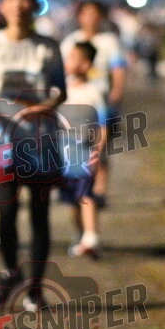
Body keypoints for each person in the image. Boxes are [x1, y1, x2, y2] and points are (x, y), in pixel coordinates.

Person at [0, 0, 66, 311]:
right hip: (0, 140)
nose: (18, 5)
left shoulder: (48, 48)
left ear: (35, 6)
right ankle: (11, 272)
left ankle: (35, 289)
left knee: (39, 214)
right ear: (3, 6)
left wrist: (41, 108)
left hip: (39, 141)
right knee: (6, 211)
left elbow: (60, 90)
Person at [60, 0, 126, 207]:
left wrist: (116, 91)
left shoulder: (109, 41)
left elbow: (118, 69)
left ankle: (99, 191)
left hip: (101, 101)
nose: (90, 18)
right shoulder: (70, 41)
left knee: (101, 147)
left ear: (101, 17)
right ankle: (76, 186)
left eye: (94, 14)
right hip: (78, 102)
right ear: (79, 16)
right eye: (85, 14)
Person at [59, 42, 106, 258]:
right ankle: (82, 234)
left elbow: (102, 126)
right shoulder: (60, 90)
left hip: (83, 153)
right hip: (61, 156)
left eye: (72, 58)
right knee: (71, 201)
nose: (67, 62)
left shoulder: (94, 92)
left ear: (86, 64)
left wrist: (97, 152)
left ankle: (91, 236)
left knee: (85, 194)